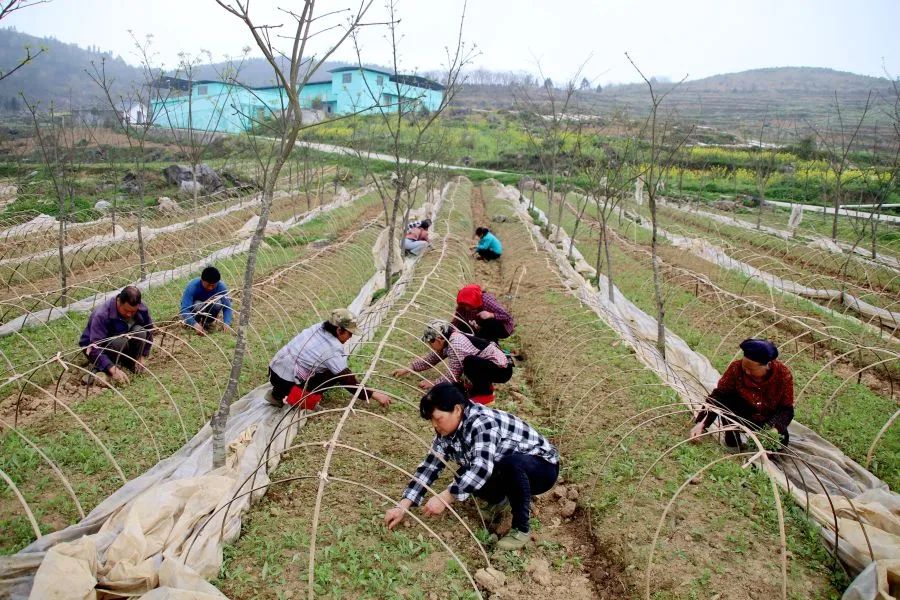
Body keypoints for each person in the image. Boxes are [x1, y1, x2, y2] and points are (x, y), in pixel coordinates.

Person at [383, 383, 559, 551]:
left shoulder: (482, 423)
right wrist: (402, 506)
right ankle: (500, 502)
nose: (434, 425)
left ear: (457, 409)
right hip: (504, 466)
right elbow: (430, 467)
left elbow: (481, 468)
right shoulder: (445, 433)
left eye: (438, 419)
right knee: (464, 473)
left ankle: (521, 529)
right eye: (431, 420)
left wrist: (445, 498)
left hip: (542, 469)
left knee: (506, 466)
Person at [266, 308, 390, 410]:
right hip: (287, 380)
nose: (350, 337)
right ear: (339, 329)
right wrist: (373, 394)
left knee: (321, 367)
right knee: (333, 374)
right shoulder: (332, 349)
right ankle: (303, 403)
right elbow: (347, 380)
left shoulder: (318, 327)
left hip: (274, 371)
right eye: (350, 333)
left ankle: (277, 394)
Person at [689, 338, 794, 448]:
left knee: (779, 444)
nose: (747, 372)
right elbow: (719, 396)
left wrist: (775, 430)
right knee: (727, 405)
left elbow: (786, 409)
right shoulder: (736, 368)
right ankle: (733, 441)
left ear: (767, 365)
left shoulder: (783, 375)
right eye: (745, 368)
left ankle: (765, 441)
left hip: (767, 418)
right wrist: (701, 423)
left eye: (751, 369)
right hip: (742, 414)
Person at [392, 319, 512, 404]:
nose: (429, 345)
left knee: (469, 362)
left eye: (430, 342)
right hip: (492, 366)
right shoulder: (449, 338)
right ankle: (480, 387)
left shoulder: (456, 344)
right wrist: (409, 369)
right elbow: (432, 358)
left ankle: (485, 395)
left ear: (439, 339)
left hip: (501, 370)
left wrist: (434, 383)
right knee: (470, 364)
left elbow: (452, 374)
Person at [79, 286, 154, 385]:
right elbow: (94, 347)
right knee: (119, 341)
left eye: (133, 312)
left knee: (140, 331)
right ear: (118, 301)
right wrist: (111, 368)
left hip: (124, 340)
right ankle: (103, 369)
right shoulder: (102, 314)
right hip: (100, 348)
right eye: (126, 311)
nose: (129, 314)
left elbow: (149, 330)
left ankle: (131, 363)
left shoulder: (141, 308)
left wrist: (143, 355)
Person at [180, 266, 233, 336]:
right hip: (195, 311)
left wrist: (227, 322)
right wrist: (194, 324)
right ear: (202, 280)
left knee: (218, 304)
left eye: (213, 285)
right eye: (208, 285)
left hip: (209, 311)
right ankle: (196, 322)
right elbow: (185, 309)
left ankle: (207, 323)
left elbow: (227, 307)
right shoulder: (193, 286)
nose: (210, 288)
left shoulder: (221, 287)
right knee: (197, 304)